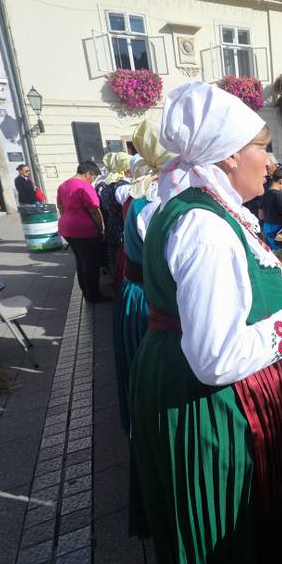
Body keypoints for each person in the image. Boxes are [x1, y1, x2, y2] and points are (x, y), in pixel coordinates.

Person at [129, 82, 282, 564]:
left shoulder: (206, 210)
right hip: (208, 401)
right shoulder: (207, 228)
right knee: (225, 537)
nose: (272, 162)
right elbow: (216, 358)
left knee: (231, 539)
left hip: (187, 380)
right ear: (225, 158)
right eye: (261, 148)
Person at [111, 120, 172, 434]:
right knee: (153, 375)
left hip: (135, 291)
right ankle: (153, 430)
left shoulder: (143, 196)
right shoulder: (157, 203)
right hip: (148, 298)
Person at [57, 161, 107, 302]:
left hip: (67, 228)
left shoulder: (63, 185)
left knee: (81, 261)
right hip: (84, 230)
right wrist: (102, 229)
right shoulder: (84, 186)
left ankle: (86, 292)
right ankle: (93, 295)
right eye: (94, 177)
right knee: (91, 263)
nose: (93, 181)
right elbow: (94, 209)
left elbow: (60, 207)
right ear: (88, 174)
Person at [97, 151, 131, 277]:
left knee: (115, 256)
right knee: (123, 258)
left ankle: (115, 281)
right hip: (122, 225)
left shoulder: (106, 184)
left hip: (112, 223)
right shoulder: (123, 186)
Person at [259, 167, 282, 250]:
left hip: (267, 231)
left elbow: (261, 215)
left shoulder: (264, 193)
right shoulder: (280, 195)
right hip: (279, 233)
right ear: (281, 181)